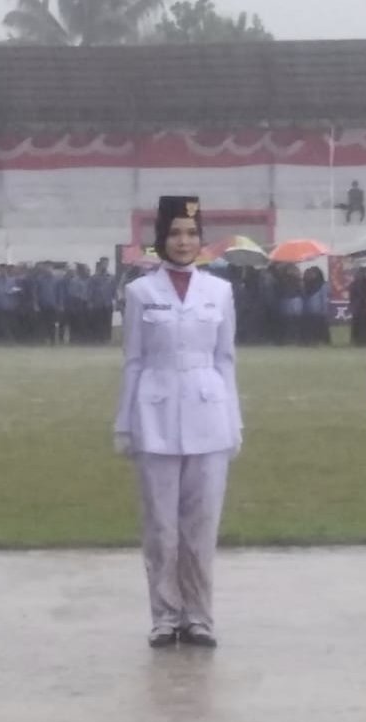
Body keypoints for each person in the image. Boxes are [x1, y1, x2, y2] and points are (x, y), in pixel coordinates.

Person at [113, 195, 243, 649]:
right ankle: (165, 615)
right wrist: (124, 423)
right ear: (160, 239)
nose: (183, 241)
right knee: (161, 528)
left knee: (201, 526)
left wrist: (235, 421)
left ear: (201, 239)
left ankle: (199, 616)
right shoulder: (140, 292)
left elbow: (226, 360)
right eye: (174, 233)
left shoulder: (219, 292)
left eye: (191, 233)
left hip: (209, 414)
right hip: (155, 414)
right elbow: (132, 360)